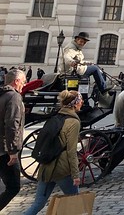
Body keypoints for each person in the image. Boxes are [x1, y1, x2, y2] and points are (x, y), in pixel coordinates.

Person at [23, 90, 82, 215]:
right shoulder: (74, 122)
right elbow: (71, 152)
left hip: (46, 167)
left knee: (38, 204)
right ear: (75, 104)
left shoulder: (55, 118)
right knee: (75, 203)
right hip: (62, 170)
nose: (82, 102)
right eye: (80, 100)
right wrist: (75, 175)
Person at [59, 32, 113, 107]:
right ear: (77, 39)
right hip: (71, 72)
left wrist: (88, 63)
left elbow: (78, 60)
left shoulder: (77, 48)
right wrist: (71, 62)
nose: (82, 44)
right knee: (95, 69)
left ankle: (85, 102)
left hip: (75, 70)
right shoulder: (71, 48)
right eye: (81, 41)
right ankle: (103, 89)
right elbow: (67, 57)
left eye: (84, 42)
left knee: (85, 83)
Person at [0, 69, 25, 210]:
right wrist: (13, 151)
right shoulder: (14, 97)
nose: (24, 84)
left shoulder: (2, 94)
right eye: (23, 81)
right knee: (13, 187)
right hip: (4, 150)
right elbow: (11, 125)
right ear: (16, 81)